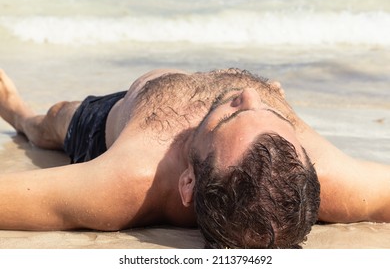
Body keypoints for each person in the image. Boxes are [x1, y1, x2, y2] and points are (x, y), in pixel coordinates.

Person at [0, 68, 388, 248]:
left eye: (232, 115)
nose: (250, 96)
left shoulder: (130, 178)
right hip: (181, 88)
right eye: (272, 115)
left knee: (54, 121)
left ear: (189, 180)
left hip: (115, 116)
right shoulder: (326, 176)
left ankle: (20, 116)